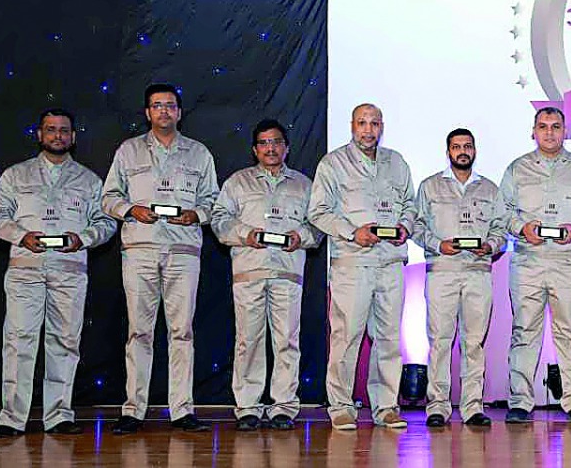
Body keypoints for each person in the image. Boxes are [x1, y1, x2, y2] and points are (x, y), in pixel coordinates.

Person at [0, 109, 117, 437]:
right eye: (51, 130)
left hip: (69, 272)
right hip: (25, 270)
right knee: (18, 341)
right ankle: (12, 417)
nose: (58, 136)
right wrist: (20, 236)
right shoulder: (16, 175)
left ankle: (59, 415)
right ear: (39, 135)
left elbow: (107, 222)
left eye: (64, 130)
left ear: (74, 136)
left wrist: (81, 239)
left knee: (65, 342)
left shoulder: (89, 180)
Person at [102, 84, 219, 434]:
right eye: (157, 106)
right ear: (147, 113)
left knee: (182, 332)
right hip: (140, 250)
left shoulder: (199, 154)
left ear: (180, 113)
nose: (164, 112)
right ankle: (133, 409)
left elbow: (215, 201)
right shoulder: (128, 152)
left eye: (170, 106)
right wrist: (130, 209)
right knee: (139, 331)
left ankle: (181, 410)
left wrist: (197, 214)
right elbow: (107, 197)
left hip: (184, 252)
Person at [308, 103, 415, 430]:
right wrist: (352, 232)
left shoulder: (396, 162)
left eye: (374, 124)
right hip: (352, 263)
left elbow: (410, 204)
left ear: (382, 127)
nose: (368, 130)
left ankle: (386, 406)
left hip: (390, 263)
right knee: (346, 337)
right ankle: (340, 405)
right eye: (361, 123)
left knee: (388, 339)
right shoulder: (334, 163)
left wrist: (405, 227)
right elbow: (318, 211)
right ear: (352, 126)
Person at [211, 119, 321, 431]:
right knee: (248, 340)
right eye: (263, 143)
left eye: (276, 142)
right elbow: (219, 221)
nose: (270, 148)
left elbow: (318, 224)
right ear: (254, 149)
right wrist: (246, 234)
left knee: (287, 339)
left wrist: (301, 235)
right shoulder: (237, 183)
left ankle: (284, 406)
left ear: (286, 147)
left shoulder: (304, 185)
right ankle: (247, 406)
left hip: (287, 273)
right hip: (249, 273)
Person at [501, 107, 571, 425]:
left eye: (556, 126)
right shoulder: (517, 169)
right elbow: (501, 211)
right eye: (543, 126)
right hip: (528, 262)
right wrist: (521, 227)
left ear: (566, 131)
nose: (549, 132)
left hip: (568, 262)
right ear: (533, 131)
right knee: (524, 332)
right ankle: (520, 401)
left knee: (570, 333)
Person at [412, 128, 506, 428]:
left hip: (478, 273)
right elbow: (415, 226)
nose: (462, 151)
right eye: (456, 147)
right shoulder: (429, 187)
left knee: (474, 343)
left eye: (467, 146)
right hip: (442, 272)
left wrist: (490, 246)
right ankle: (437, 406)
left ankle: (472, 407)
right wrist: (438, 244)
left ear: (474, 151)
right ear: (448, 151)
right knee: (439, 341)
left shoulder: (490, 190)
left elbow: (501, 229)